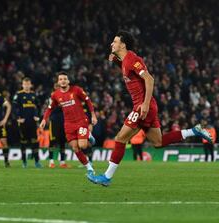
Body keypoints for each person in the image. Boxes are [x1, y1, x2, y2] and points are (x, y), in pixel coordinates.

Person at [88, 30, 213, 186]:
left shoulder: (133, 59)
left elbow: (149, 79)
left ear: (123, 44)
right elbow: (130, 72)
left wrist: (145, 104)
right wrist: (116, 62)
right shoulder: (125, 61)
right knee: (158, 142)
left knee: (120, 138)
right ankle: (193, 131)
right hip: (146, 106)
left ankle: (107, 177)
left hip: (142, 106)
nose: (111, 44)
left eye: (115, 41)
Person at [39, 72, 98, 178]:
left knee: (83, 145)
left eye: (65, 79)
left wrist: (93, 115)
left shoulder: (77, 90)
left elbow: (88, 101)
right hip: (68, 124)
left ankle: (88, 135)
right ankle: (89, 168)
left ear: (68, 81)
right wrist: (44, 119)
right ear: (58, 82)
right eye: (60, 79)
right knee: (75, 148)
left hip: (81, 121)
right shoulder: (55, 95)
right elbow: (50, 108)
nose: (63, 81)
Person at [12, 77, 41, 168]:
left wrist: (37, 116)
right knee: (23, 142)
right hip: (23, 121)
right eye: (25, 84)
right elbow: (14, 107)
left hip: (32, 121)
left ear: (30, 85)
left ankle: (37, 161)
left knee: (34, 141)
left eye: (28, 84)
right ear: (22, 85)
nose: (27, 86)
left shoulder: (33, 95)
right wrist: (17, 118)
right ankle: (24, 162)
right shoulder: (19, 95)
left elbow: (39, 105)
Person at [47, 83, 68, 169]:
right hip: (54, 121)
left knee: (62, 142)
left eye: (59, 87)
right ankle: (51, 161)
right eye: (57, 87)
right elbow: (52, 108)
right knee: (52, 141)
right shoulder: (52, 97)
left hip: (64, 121)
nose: (58, 88)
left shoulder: (65, 96)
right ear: (54, 88)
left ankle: (62, 162)